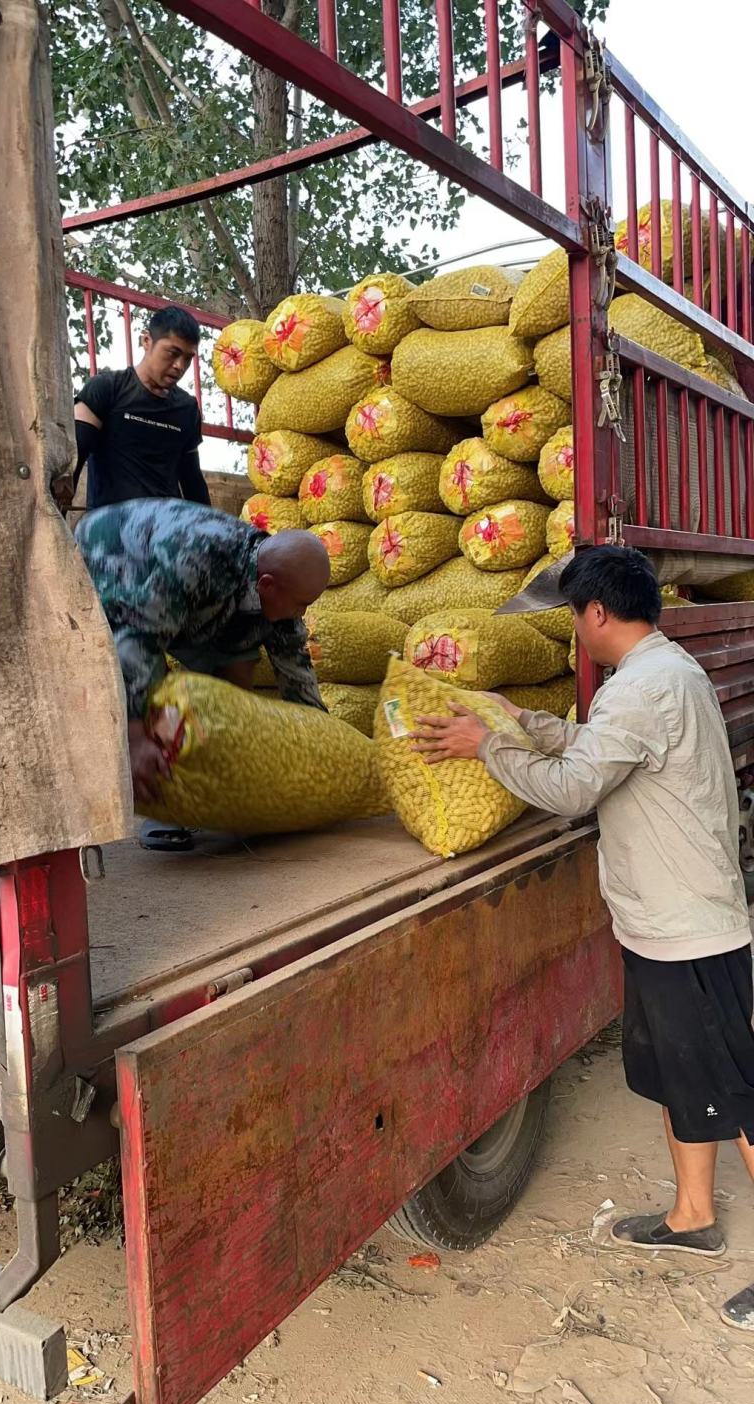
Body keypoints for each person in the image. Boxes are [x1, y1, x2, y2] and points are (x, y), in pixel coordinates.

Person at [413, 545, 754, 1331]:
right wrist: (517, 719)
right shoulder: (651, 678)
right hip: (662, 923)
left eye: (573, 615)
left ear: (596, 614)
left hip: (691, 929)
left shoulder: (647, 689)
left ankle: (702, 1215)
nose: (573, 630)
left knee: (736, 1092)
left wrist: (486, 746)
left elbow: (571, 791)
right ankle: (692, 1218)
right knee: (679, 1077)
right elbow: (591, 750)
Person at [76, 499, 330, 846]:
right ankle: (168, 804)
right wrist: (136, 735)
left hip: (200, 596)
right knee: (163, 697)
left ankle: (223, 796)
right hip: (116, 563)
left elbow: (296, 671)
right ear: (268, 585)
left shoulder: (274, 589)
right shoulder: (194, 559)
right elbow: (137, 640)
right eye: (302, 603)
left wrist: (321, 743)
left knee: (233, 693)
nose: (303, 611)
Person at [73, 305, 210, 509]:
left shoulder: (187, 408)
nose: (180, 366)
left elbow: (192, 481)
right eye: (173, 353)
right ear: (146, 341)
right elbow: (74, 456)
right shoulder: (106, 388)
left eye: (188, 359)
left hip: (164, 524)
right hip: (110, 523)